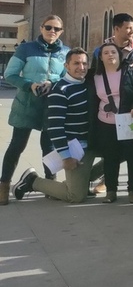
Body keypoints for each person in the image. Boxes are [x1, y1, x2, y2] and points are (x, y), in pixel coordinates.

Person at [11, 48, 94, 203]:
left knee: (122, 153)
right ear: (66, 66)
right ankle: (33, 181)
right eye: (76, 63)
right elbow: (55, 127)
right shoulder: (60, 91)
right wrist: (66, 156)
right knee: (75, 196)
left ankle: (79, 181)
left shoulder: (88, 84)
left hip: (92, 143)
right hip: (74, 148)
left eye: (84, 63)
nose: (81, 67)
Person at [0, 15, 68, 203]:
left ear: (61, 31)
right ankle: (3, 186)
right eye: (48, 27)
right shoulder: (26, 48)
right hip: (27, 105)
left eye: (56, 28)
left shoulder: (65, 52)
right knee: (17, 146)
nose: (52, 31)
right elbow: (10, 74)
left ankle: (50, 185)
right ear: (41, 28)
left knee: (49, 147)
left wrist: (52, 83)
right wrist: (29, 85)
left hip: (51, 106)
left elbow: (66, 77)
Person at [89, 43, 133, 203]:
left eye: (113, 52)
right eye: (105, 52)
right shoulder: (95, 76)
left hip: (129, 120)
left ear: (119, 55)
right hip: (105, 123)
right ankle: (111, 190)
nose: (110, 55)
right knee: (110, 157)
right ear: (100, 57)